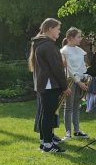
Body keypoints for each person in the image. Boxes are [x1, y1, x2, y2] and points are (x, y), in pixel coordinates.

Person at [28, 18, 71, 153]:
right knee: (48, 115)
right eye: (57, 29)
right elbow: (56, 69)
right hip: (49, 85)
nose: (59, 32)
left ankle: (44, 142)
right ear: (50, 29)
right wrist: (65, 87)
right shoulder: (48, 46)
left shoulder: (41, 44)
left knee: (45, 114)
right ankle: (47, 145)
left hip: (45, 85)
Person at [60, 27, 90, 140]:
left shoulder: (80, 50)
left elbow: (83, 66)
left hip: (80, 81)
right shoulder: (64, 51)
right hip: (70, 81)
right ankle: (68, 132)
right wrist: (78, 82)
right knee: (68, 107)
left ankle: (77, 131)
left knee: (77, 107)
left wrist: (86, 77)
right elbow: (69, 69)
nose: (80, 39)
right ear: (71, 38)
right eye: (78, 37)